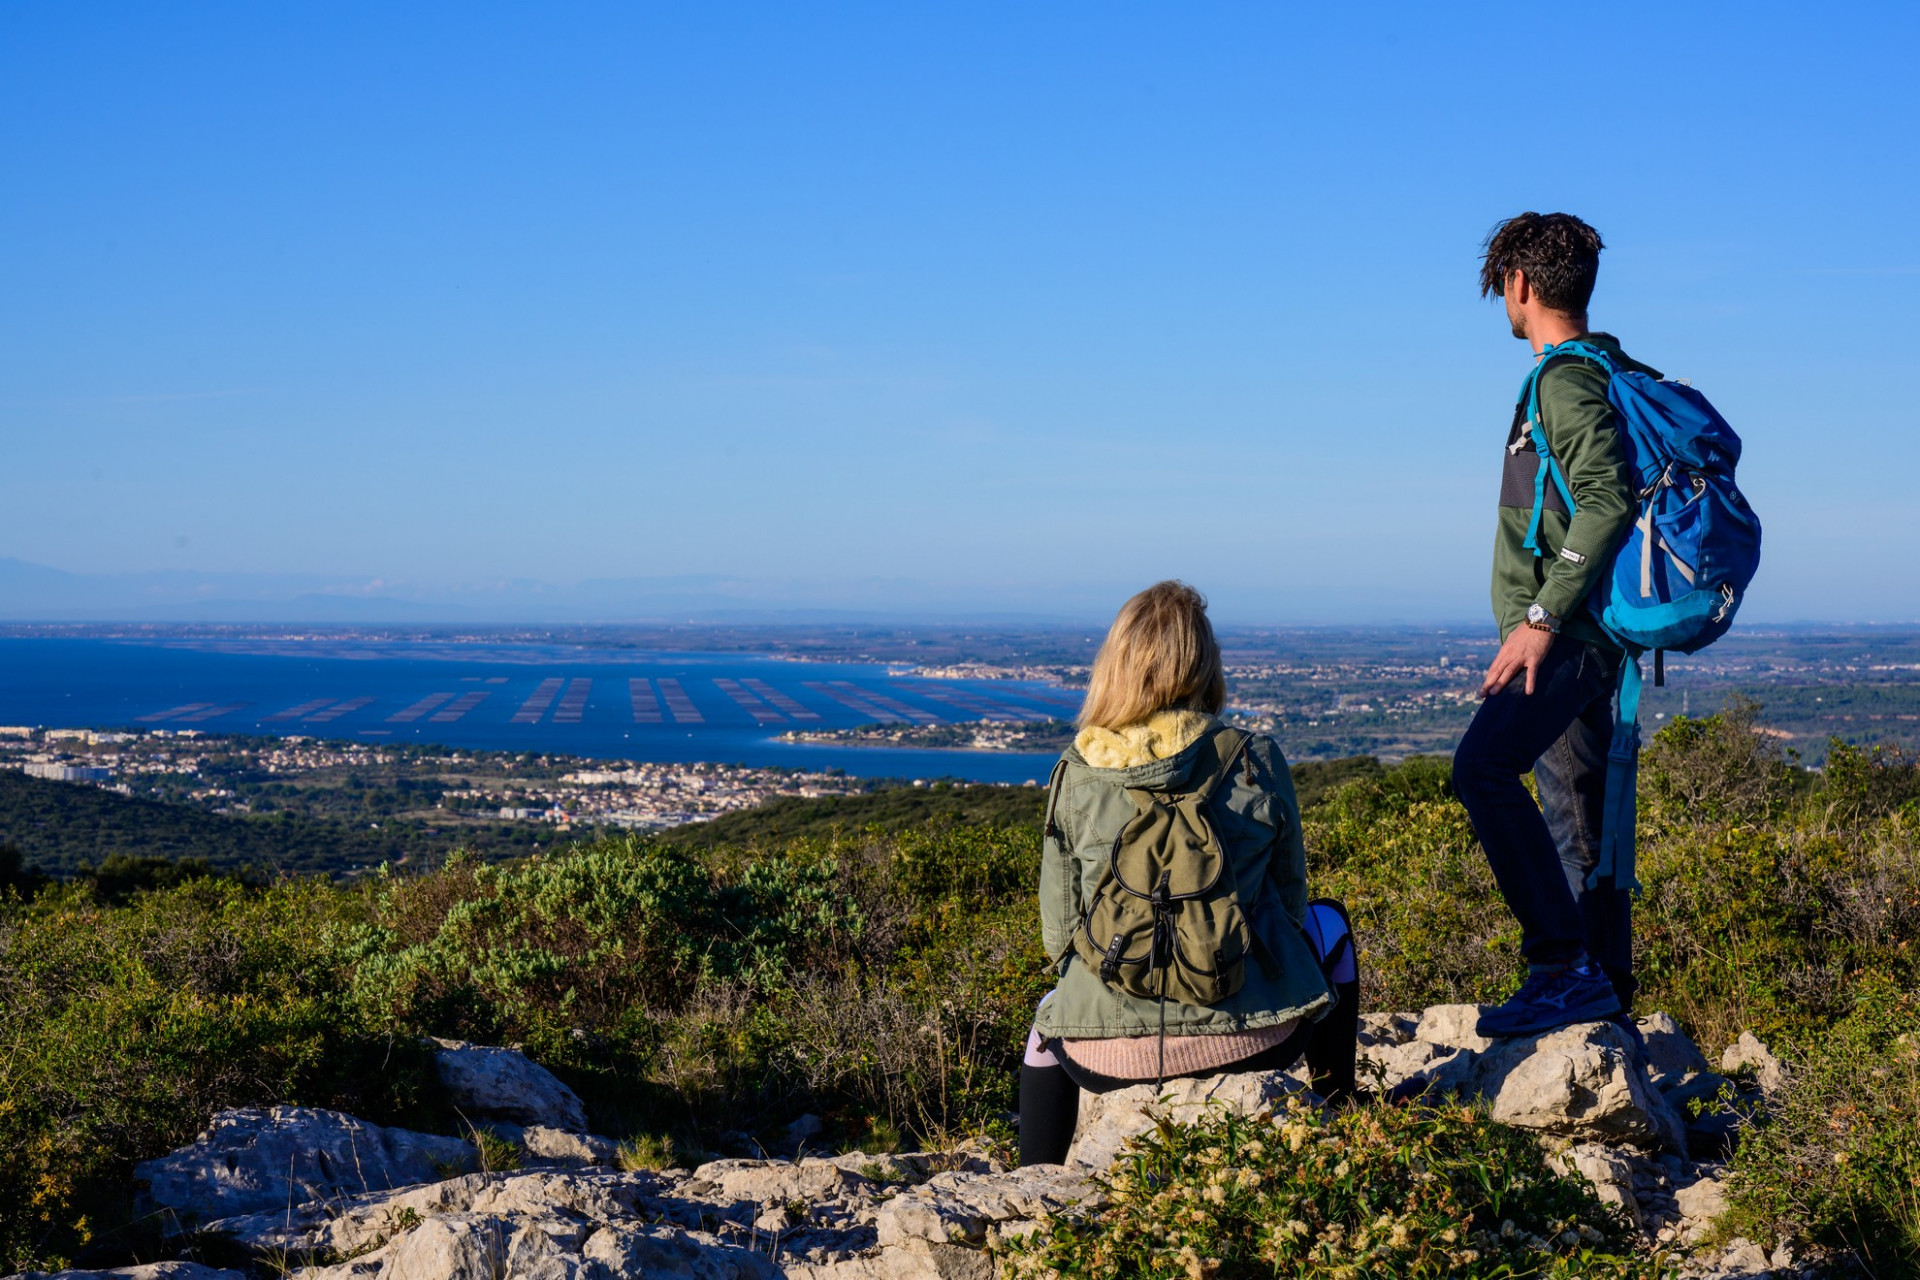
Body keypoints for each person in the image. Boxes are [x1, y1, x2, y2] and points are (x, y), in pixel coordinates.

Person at [1017, 581, 1358, 1167]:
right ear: (1204, 663)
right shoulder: (1254, 756)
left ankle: (1034, 1182)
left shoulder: (1075, 773)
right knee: (1333, 921)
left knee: (1050, 1013)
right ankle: (1342, 1107)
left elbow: (1058, 938)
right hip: (1258, 1037)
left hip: (1108, 1061)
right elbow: (1293, 903)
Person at [1453, 212, 1658, 1040]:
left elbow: (1607, 499)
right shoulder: (1606, 367)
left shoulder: (1563, 381)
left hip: (1568, 634)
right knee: (1580, 817)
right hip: (1590, 634)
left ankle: (1557, 966)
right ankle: (1601, 984)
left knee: (1482, 768)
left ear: (1519, 285)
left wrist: (1540, 617)